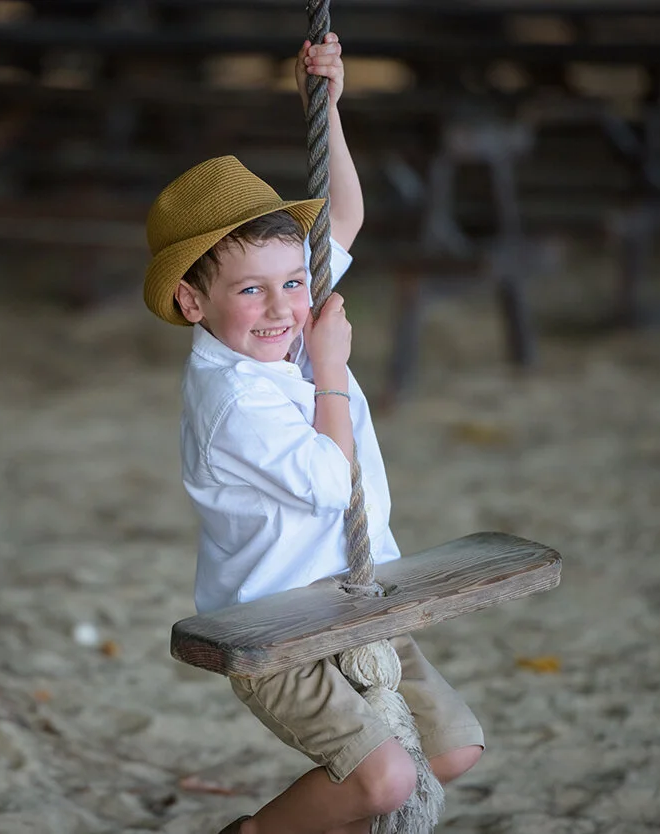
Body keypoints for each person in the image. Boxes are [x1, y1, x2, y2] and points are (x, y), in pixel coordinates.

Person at [142, 35, 485, 834]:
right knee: (384, 779)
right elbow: (335, 484)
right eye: (252, 291)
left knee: (453, 751)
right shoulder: (233, 396)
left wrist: (326, 106)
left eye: (293, 283)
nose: (281, 308)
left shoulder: (285, 326)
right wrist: (329, 364)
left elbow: (349, 214)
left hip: (356, 604)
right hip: (280, 628)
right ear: (195, 304)